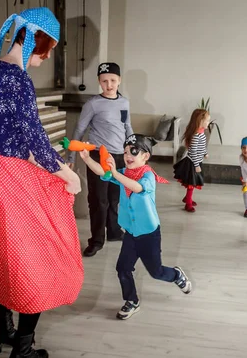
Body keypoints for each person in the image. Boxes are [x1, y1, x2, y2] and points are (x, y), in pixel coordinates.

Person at [0, 8, 84, 358]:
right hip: (8, 178)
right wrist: (66, 174)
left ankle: (0, 329)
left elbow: (3, 134)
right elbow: (33, 137)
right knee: (39, 256)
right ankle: (23, 349)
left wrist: (44, 160)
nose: (45, 57)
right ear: (35, 40)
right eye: (47, 49)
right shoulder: (16, 78)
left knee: (6, 253)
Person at [80, 134, 192, 320]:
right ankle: (131, 300)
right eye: (125, 151)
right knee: (122, 268)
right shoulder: (124, 173)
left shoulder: (147, 175)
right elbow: (103, 172)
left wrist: (116, 174)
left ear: (145, 156)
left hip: (149, 234)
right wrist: (86, 158)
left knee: (156, 272)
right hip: (131, 233)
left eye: (134, 151)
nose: (128, 155)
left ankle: (176, 275)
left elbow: (138, 188)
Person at [68, 62, 133, 257]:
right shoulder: (93, 104)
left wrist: (132, 150)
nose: (109, 84)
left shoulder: (124, 103)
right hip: (98, 156)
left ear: (119, 80)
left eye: (113, 80)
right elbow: (79, 130)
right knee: (98, 200)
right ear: (99, 82)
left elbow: (127, 126)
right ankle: (96, 240)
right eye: (105, 81)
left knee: (115, 198)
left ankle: (113, 231)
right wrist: (71, 155)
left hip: (120, 156)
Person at [174, 109, 210, 212]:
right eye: (207, 120)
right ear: (200, 121)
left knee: (193, 183)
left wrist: (205, 153)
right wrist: (196, 165)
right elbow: (192, 152)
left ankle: (187, 198)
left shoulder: (201, 133)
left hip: (198, 161)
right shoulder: (196, 136)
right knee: (191, 184)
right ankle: (188, 203)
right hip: (192, 163)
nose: (208, 123)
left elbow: (202, 146)